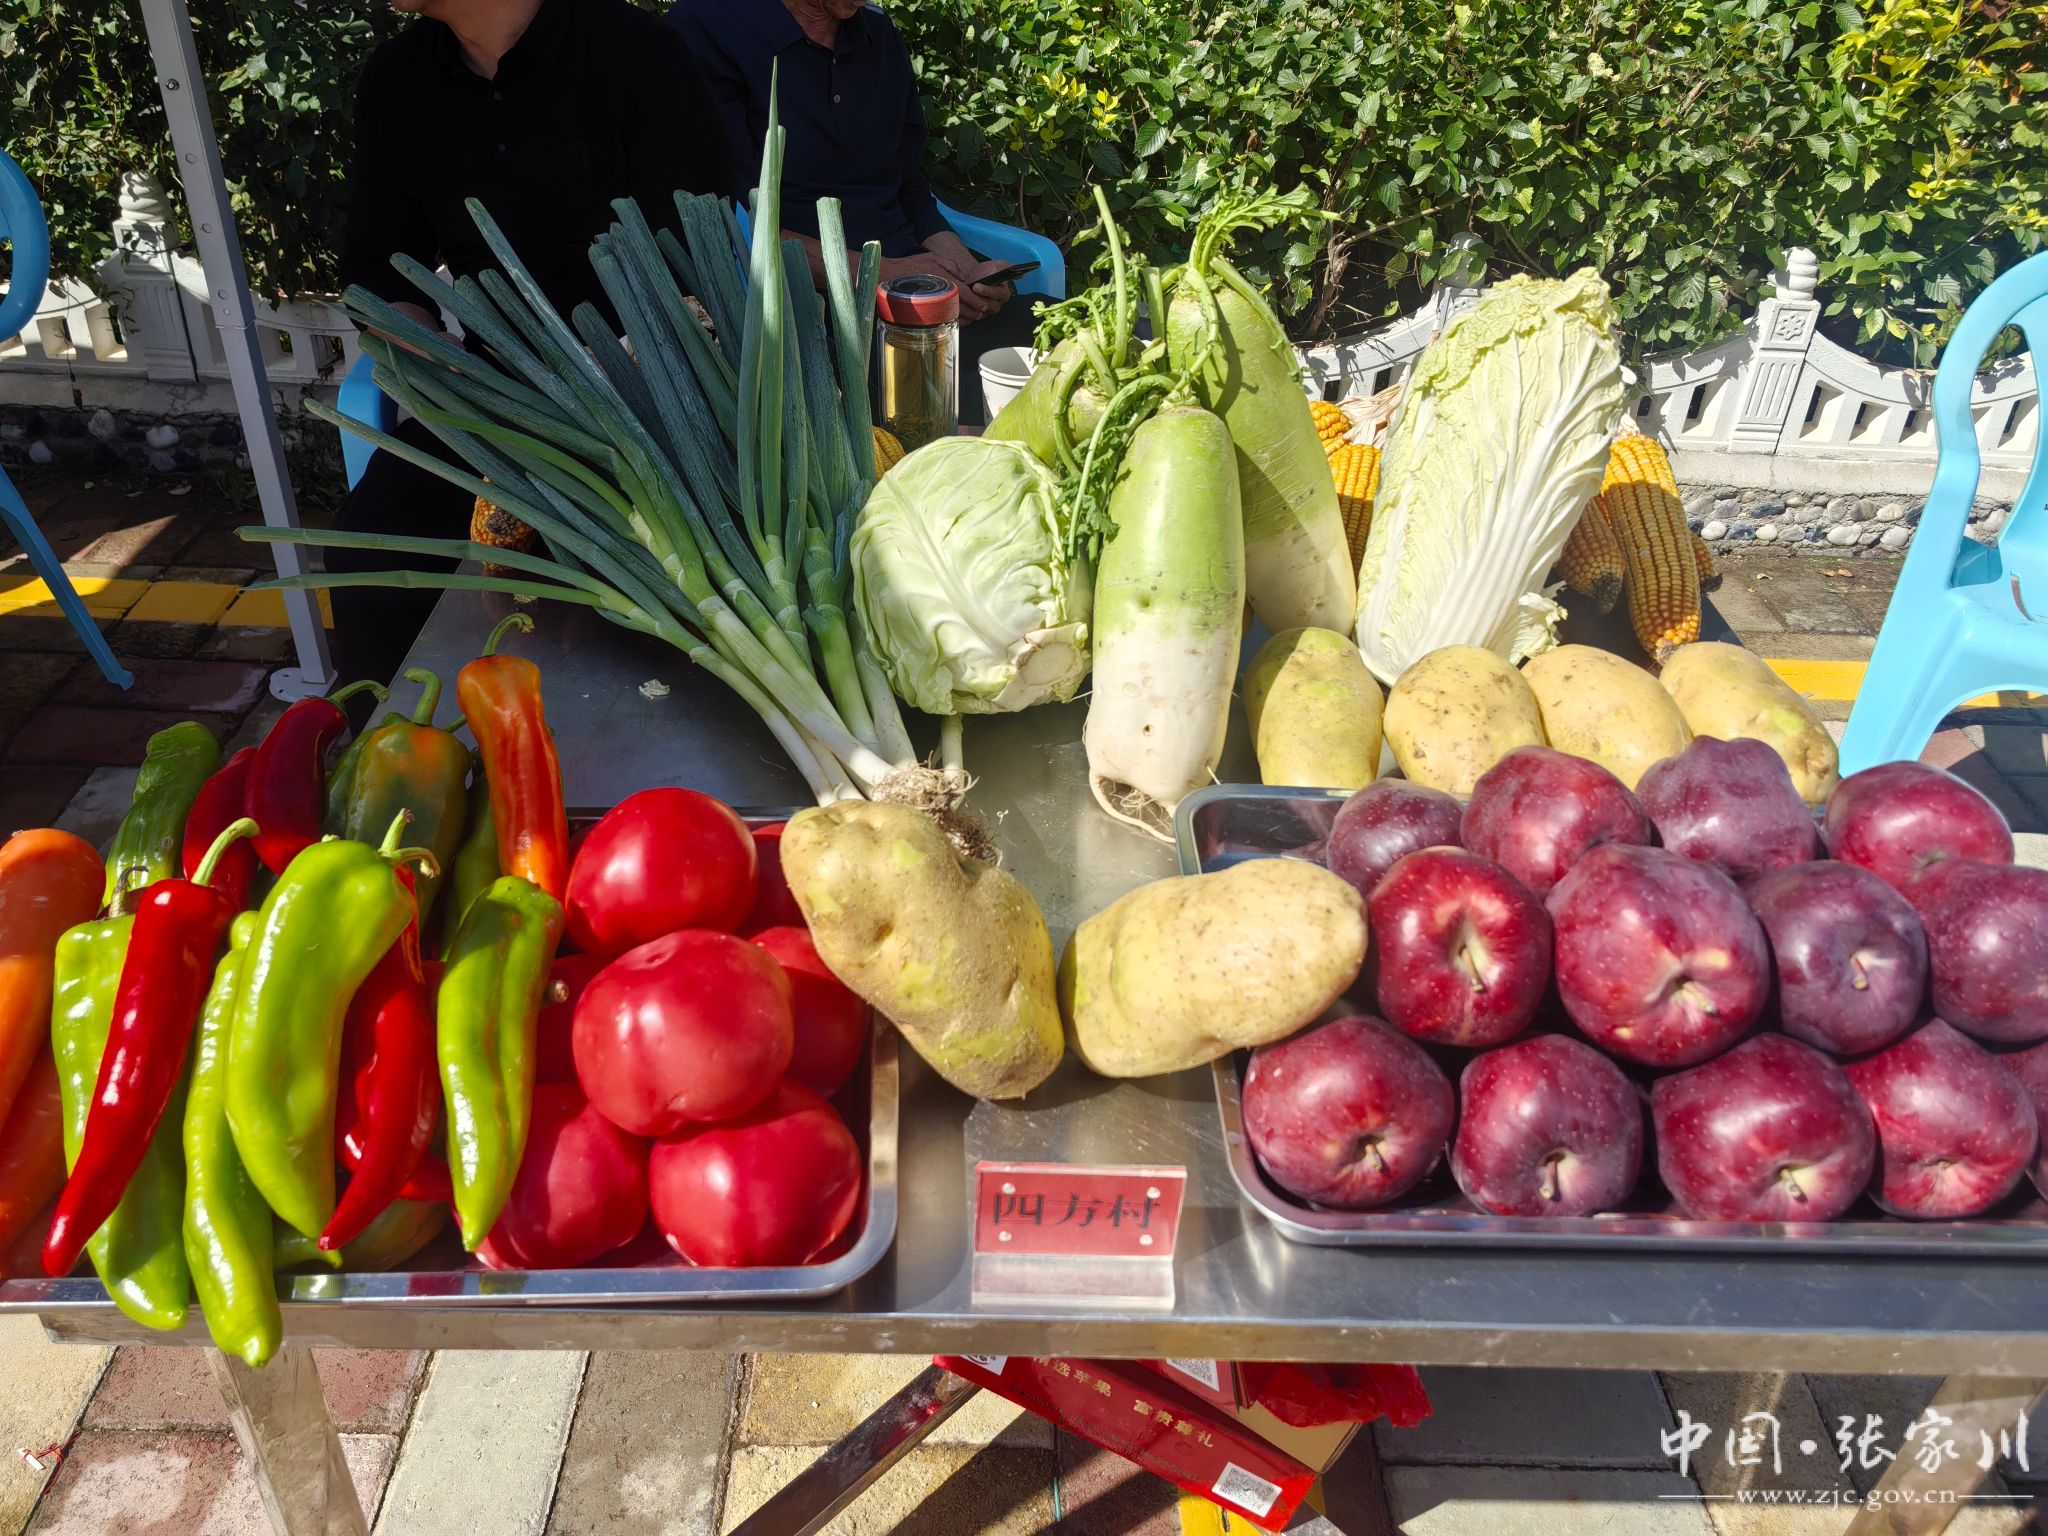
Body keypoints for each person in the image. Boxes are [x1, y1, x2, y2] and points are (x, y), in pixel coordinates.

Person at [329, 0, 736, 695]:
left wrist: (611, 380)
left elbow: (696, 251)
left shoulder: (638, 51)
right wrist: (432, 358)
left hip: (655, 390)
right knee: (371, 547)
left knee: (638, 589)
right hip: (494, 396)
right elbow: (378, 267)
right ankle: (387, 742)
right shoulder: (400, 78)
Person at [669, 0, 1036, 424]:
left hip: (921, 305)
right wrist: (884, 275)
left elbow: (908, 185)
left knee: (1072, 344)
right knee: (994, 404)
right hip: (811, 324)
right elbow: (732, 224)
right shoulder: (706, 27)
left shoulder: (877, 31)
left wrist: (967, 274)